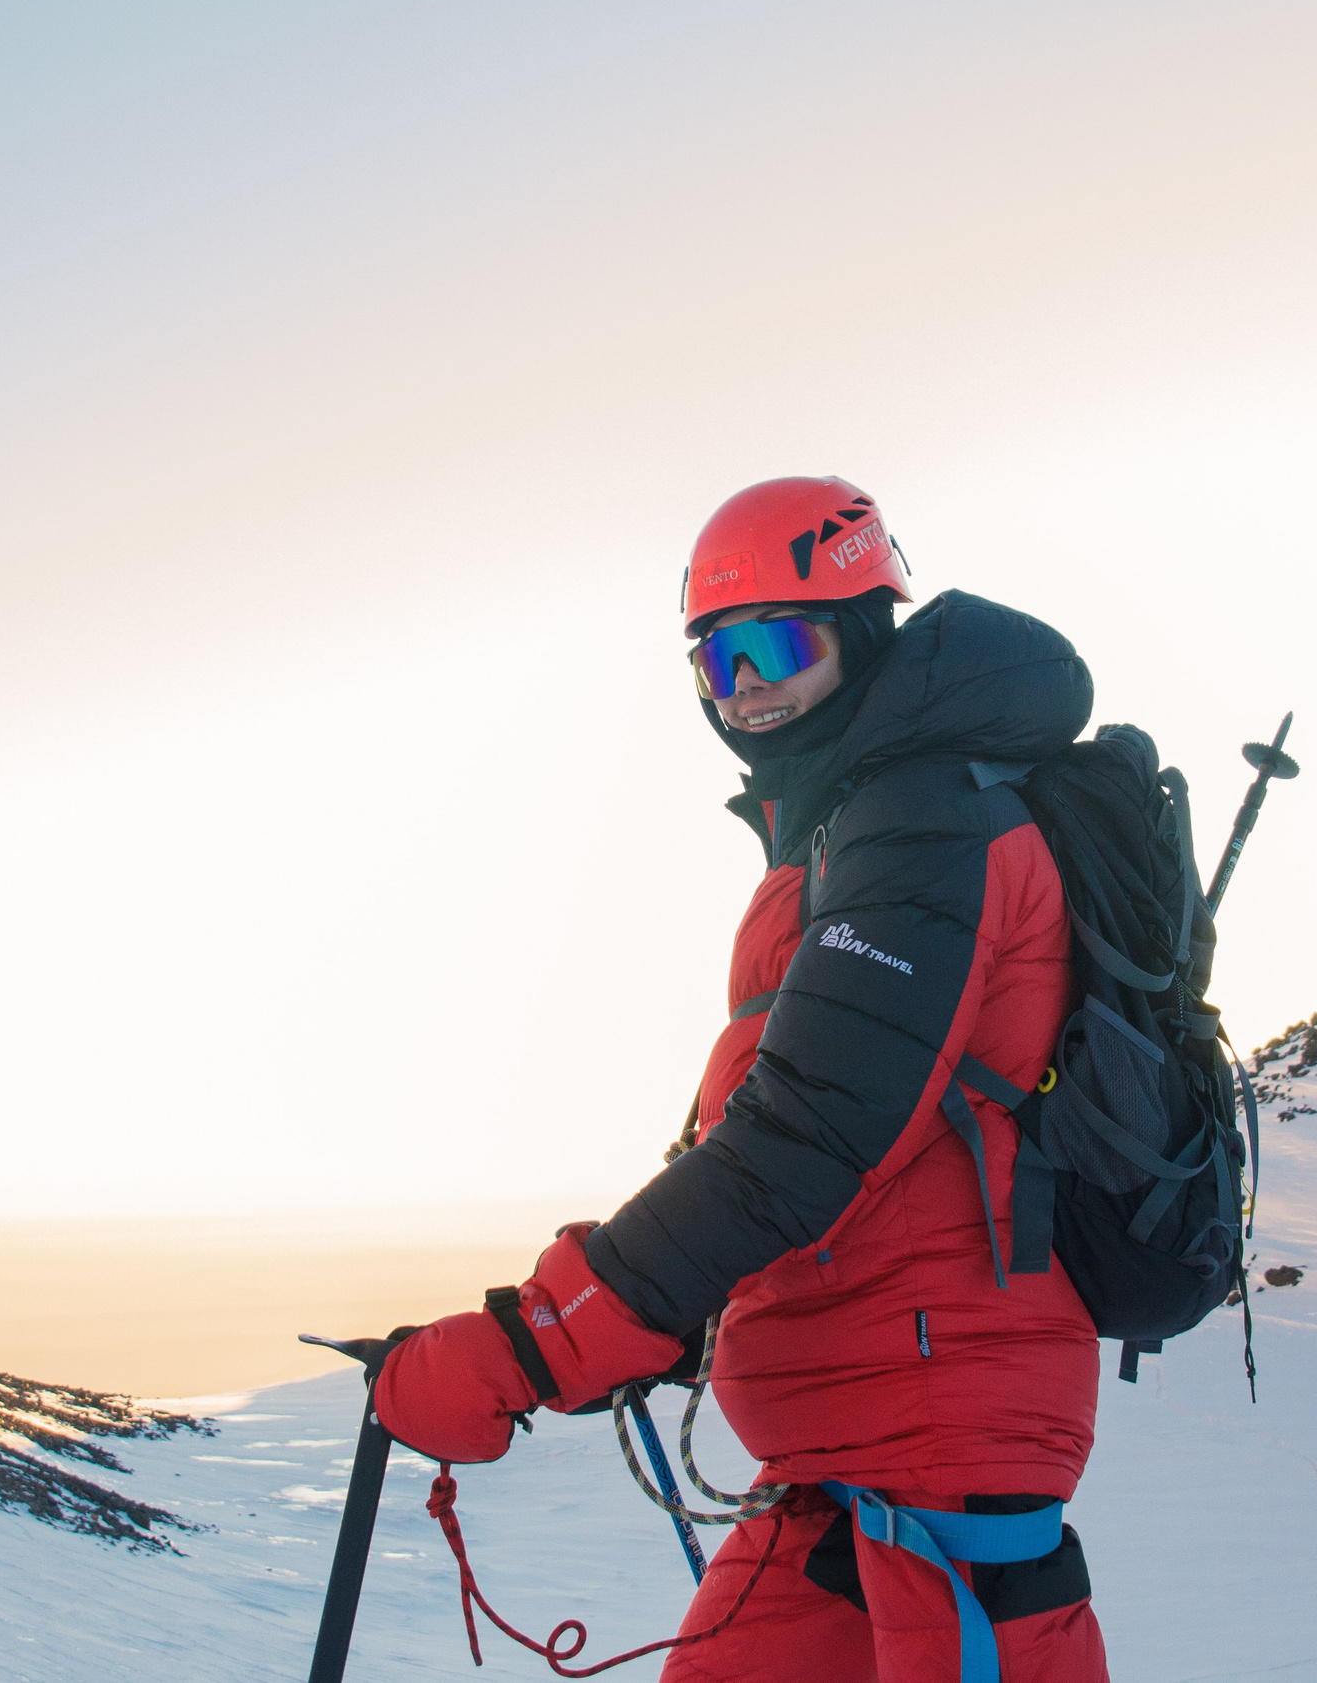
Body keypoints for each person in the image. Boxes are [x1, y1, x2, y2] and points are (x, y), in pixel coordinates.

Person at [373, 475, 1109, 1681]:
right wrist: (675, 1317)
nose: (749, 684)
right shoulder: (845, 831)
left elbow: (808, 1135)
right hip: (843, 1443)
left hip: (942, 1440)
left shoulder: (928, 822)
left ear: (868, 628)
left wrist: (539, 1344)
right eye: (718, 661)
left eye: (776, 642)